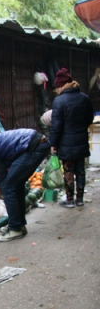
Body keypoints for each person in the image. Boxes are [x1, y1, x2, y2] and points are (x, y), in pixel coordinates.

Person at [50, 68, 93, 208]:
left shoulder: (59, 101)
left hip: (65, 142)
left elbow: (56, 126)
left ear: (62, 85)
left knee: (68, 171)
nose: (56, 90)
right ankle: (79, 199)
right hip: (81, 140)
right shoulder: (84, 98)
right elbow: (89, 119)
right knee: (80, 170)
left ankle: (69, 200)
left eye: (57, 87)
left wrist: (53, 143)